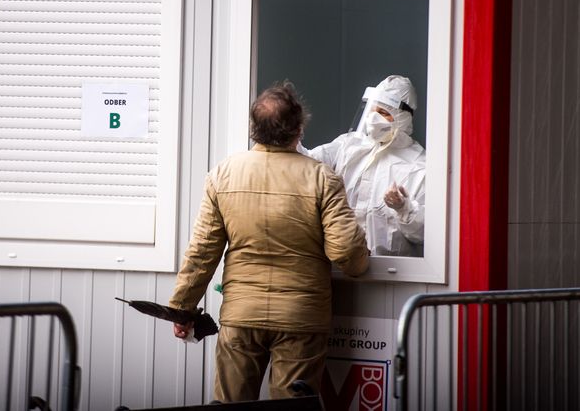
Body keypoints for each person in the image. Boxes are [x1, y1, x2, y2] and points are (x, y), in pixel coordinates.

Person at [169, 81, 369, 402]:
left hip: (240, 316)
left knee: (231, 406)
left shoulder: (224, 174)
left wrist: (182, 310)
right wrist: (361, 264)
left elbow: (202, 252)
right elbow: (347, 252)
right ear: (298, 128)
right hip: (301, 319)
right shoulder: (321, 178)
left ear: (254, 128)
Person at [301, 75, 426, 257]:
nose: (373, 118)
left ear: (402, 118)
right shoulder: (349, 146)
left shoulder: (418, 166)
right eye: (371, 111)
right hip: (340, 267)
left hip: (392, 276)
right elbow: (305, 163)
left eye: (383, 113)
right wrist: (290, 135)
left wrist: (404, 208)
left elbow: (426, 234)